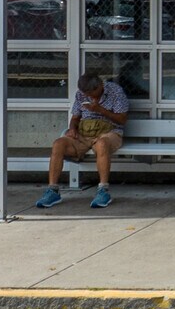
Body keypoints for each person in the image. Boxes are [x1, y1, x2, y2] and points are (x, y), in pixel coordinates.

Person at [37, 72, 128, 210]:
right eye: (87, 95)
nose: (90, 97)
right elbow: (75, 118)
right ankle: (52, 190)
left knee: (102, 145)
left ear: (100, 85)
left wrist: (100, 110)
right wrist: (72, 129)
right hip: (84, 132)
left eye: (93, 93)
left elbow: (122, 120)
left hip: (109, 132)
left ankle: (103, 190)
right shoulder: (81, 94)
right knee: (58, 144)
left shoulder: (115, 91)